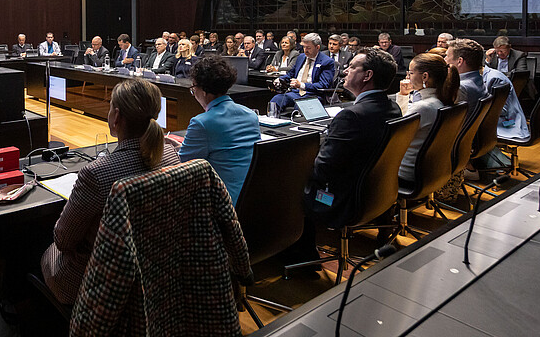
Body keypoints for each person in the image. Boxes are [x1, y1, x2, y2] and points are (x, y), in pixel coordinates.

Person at [41, 78, 180, 304]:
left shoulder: (96, 174)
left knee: (39, 241)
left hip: (96, 284)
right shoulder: (171, 155)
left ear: (116, 117)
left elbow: (63, 241)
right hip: (154, 272)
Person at [298, 48, 402, 243]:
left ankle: (305, 252)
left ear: (367, 75)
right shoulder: (393, 107)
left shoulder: (351, 116)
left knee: (291, 183)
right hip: (378, 193)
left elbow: (323, 168)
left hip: (338, 200)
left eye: (352, 67)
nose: (345, 70)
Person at [178, 55, 261, 205]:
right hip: (252, 200)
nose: (194, 94)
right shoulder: (251, 115)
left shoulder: (201, 123)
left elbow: (182, 166)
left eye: (193, 88)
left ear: (203, 90)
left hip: (222, 204)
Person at [397, 53, 460, 182]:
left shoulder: (423, 107)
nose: (407, 77)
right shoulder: (441, 100)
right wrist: (404, 95)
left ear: (425, 76)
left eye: (411, 73)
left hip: (406, 173)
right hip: (430, 171)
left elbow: (396, 139)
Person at [269, 33, 336, 109]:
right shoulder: (301, 57)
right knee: (276, 100)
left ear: (317, 47)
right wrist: (280, 79)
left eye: (308, 48)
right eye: (304, 47)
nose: (305, 50)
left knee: (300, 105)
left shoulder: (326, 62)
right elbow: (291, 74)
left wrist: (301, 85)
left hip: (313, 94)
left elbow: (323, 85)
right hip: (295, 93)